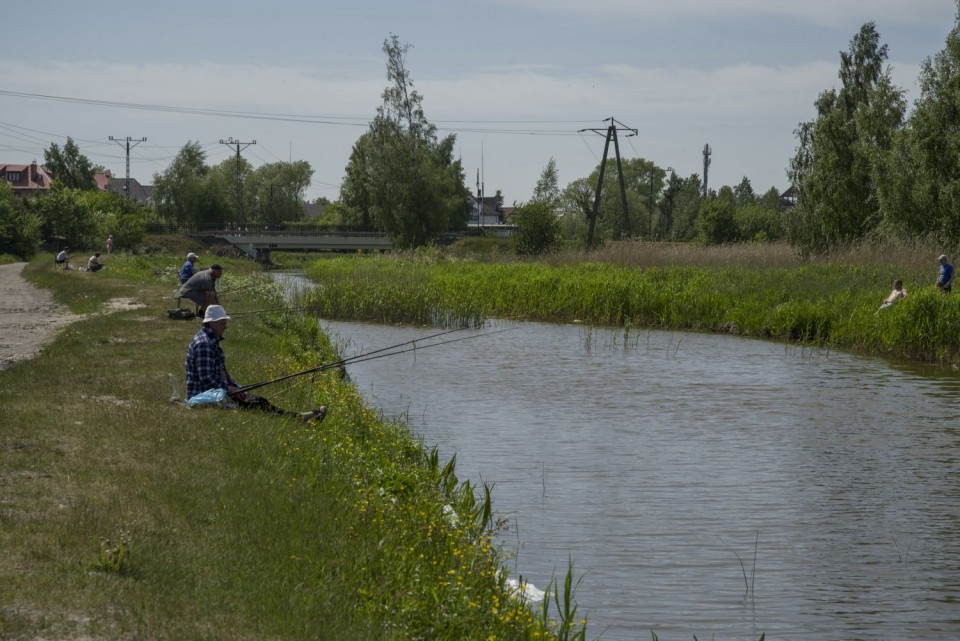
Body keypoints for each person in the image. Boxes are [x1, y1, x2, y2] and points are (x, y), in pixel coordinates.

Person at [185, 305, 327, 423]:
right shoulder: (204, 344)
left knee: (258, 401)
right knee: (256, 404)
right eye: (222, 323)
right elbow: (206, 379)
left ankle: (301, 417)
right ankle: (301, 418)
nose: (225, 326)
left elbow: (222, 372)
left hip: (215, 392)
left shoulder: (211, 340)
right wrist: (230, 390)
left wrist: (237, 388)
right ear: (212, 323)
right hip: (202, 397)